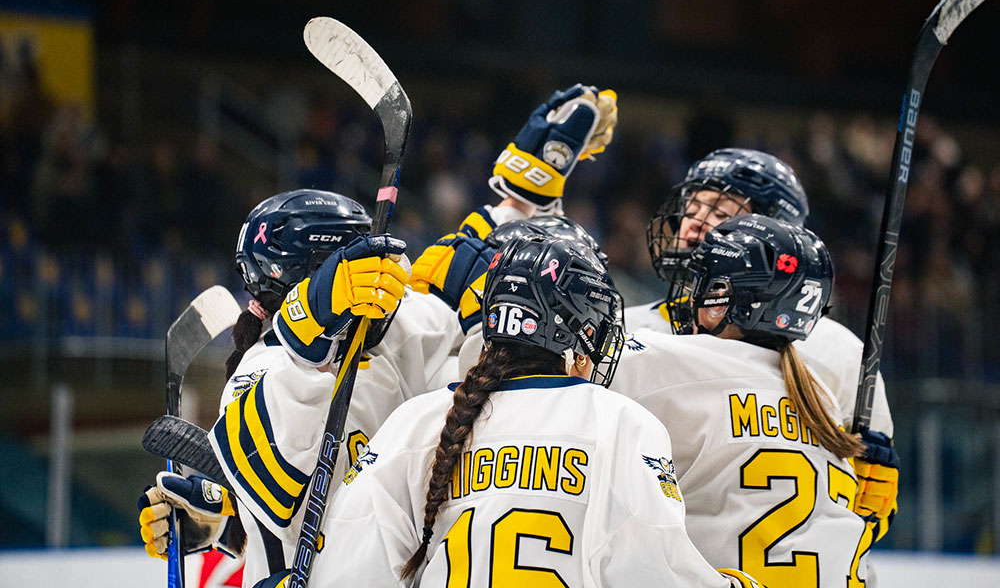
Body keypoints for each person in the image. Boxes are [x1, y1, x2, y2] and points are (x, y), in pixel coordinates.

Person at [259, 234, 764, 587]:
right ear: (580, 332)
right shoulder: (620, 422)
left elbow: (353, 572)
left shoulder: (415, 422)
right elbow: (651, 568)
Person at [139, 189, 462, 587]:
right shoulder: (260, 369)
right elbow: (282, 499)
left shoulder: (387, 347)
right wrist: (233, 517)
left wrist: (224, 520)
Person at [612, 214, 893, 588]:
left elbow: (556, 371)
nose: (692, 294)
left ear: (723, 302)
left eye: (705, 283)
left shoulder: (665, 361)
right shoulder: (818, 395)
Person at [632, 148, 898, 535]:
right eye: (692, 207)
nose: (692, 224)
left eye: (719, 213)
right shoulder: (628, 325)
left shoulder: (835, 351)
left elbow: (873, 501)